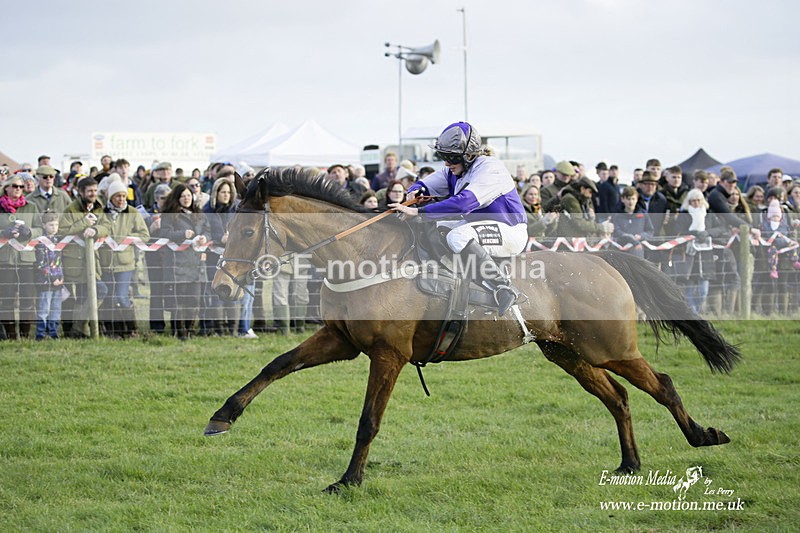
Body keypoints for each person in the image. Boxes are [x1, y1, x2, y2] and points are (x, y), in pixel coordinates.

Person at [391, 122, 527, 315]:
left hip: (510, 230)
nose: (446, 163)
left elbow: (462, 203)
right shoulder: (456, 168)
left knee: (457, 237)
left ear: (469, 155)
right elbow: (426, 185)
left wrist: (418, 212)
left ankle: (503, 287)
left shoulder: (490, 169)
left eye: (451, 157)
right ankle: (447, 275)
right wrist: (412, 193)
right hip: (480, 224)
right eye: (443, 156)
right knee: (435, 225)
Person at [99, 180, 150, 338]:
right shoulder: (102, 213)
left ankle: (131, 328)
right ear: (111, 197)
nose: (121, 199)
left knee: (121, 295)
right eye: (118, 196)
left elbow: (145, 235)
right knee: (110, 298)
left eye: (124, 196)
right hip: (106, 262)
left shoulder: (133, 213)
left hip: (125, 263)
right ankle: (113, 330)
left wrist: (129, 238)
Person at [158, 183, 209, 340]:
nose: (186, 198)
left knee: (194, 298)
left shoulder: (199, 214)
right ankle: (179, 332)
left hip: (197, 263)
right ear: (177, 198)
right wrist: (182, 234)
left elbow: (207, 229)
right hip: (178, 263)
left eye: (188, 195)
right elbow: (164, 232)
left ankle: (190, 329)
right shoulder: (170, 214)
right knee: (179, 298)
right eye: (183, 196)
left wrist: (205, 238)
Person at [60, 177, 110, 338]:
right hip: (74, 260)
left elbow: (107, 226)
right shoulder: (70, 210)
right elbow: (62, 231)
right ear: (80, 192)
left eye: (95, 191)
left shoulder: (100, 207)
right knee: (80, 296)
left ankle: (79, 327)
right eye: (89, 191)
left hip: (94, 260)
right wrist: (83, 223)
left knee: (99, 290)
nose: (93, 194)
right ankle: (78, 330)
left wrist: (95, 229)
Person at [0, 175, 42, 339]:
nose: (18, 189)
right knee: (6, 299)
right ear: (6, 188)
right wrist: (3, 233)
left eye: (21, 187)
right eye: (15, 186)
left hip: (26, 259)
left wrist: (30, 232)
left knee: (27, 299)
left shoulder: (31, 206)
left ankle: (25, 335)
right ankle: (10, 335)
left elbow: (40, 228)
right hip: (5, 260)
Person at [202, 178, 237, 335]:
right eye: (223, 192)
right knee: (216, 291)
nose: (226, 195)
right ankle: (219, 328)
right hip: (213, 256)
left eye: (229, 192)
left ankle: (233, 328)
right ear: (216, 193)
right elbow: (204, 231)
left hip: (233, 258)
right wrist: (219, 240)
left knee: (233, 291)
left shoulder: (234, 210)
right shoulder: (207, 211)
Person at [33, 212, 64, 340]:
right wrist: (52, 278)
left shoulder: (59, 241)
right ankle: (41, 334)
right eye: (51, 225)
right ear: (44, 225)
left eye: (56, 225)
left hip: (58, 281)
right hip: (45, 282)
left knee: (56, 309)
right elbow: (40, 264)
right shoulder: (40, 242)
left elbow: (61, 261)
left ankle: (53, 332)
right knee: (43, 309)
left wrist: (61, 277)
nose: (54, 227)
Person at [612, 187, 653, 258]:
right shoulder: (617, 216)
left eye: (633, 199)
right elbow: (616, 231)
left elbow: (650, 231)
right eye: (628, 199)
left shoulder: (643, 215)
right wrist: (628, 237)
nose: (631, 202)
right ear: (622, 199)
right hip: (622, 251)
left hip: (638, 252)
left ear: (637, 199)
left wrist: (641, 236)